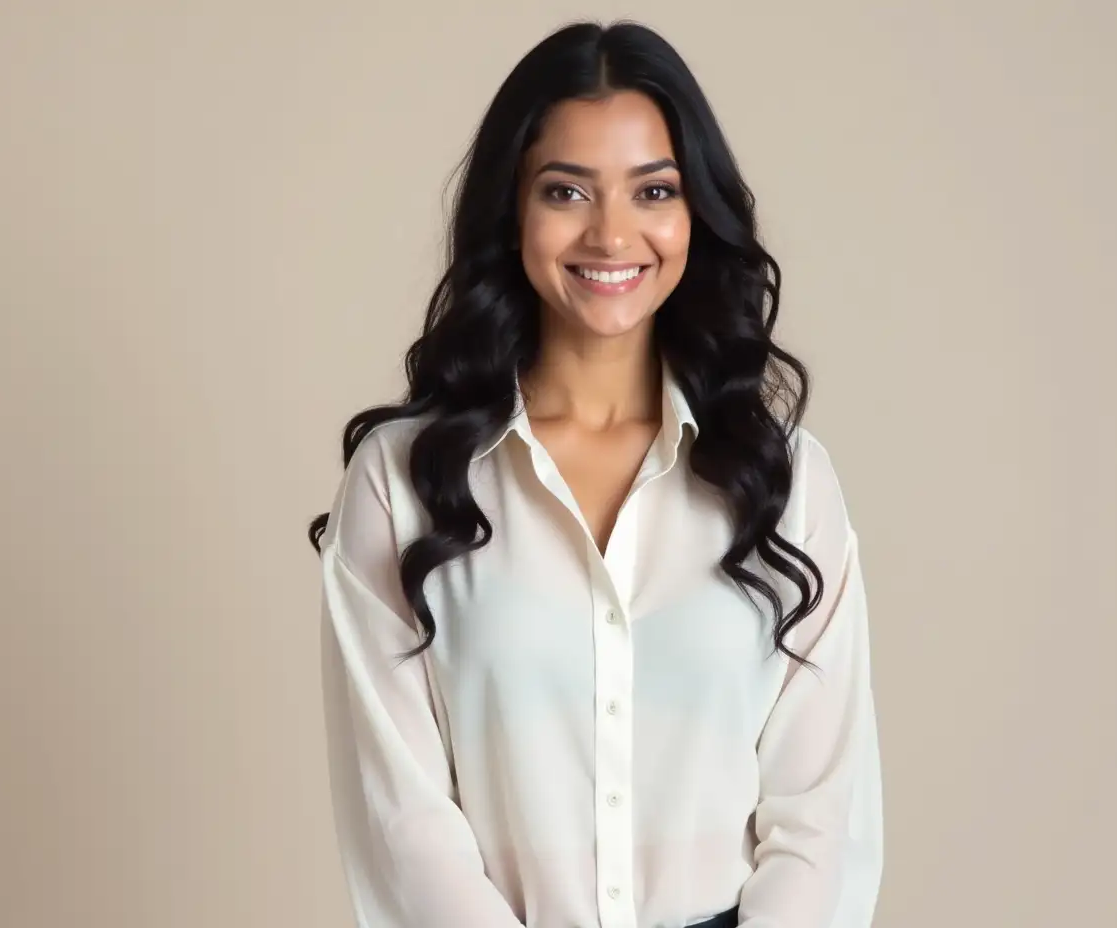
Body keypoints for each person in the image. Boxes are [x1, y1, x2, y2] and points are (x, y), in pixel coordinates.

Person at [310, 19, 882, 928]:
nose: (612, 233)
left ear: (697, 213)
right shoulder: (402, 483)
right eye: (567, 190)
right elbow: (404, 819)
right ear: (513, 210)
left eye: (654, 190)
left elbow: (821, 816)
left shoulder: (787, 482)